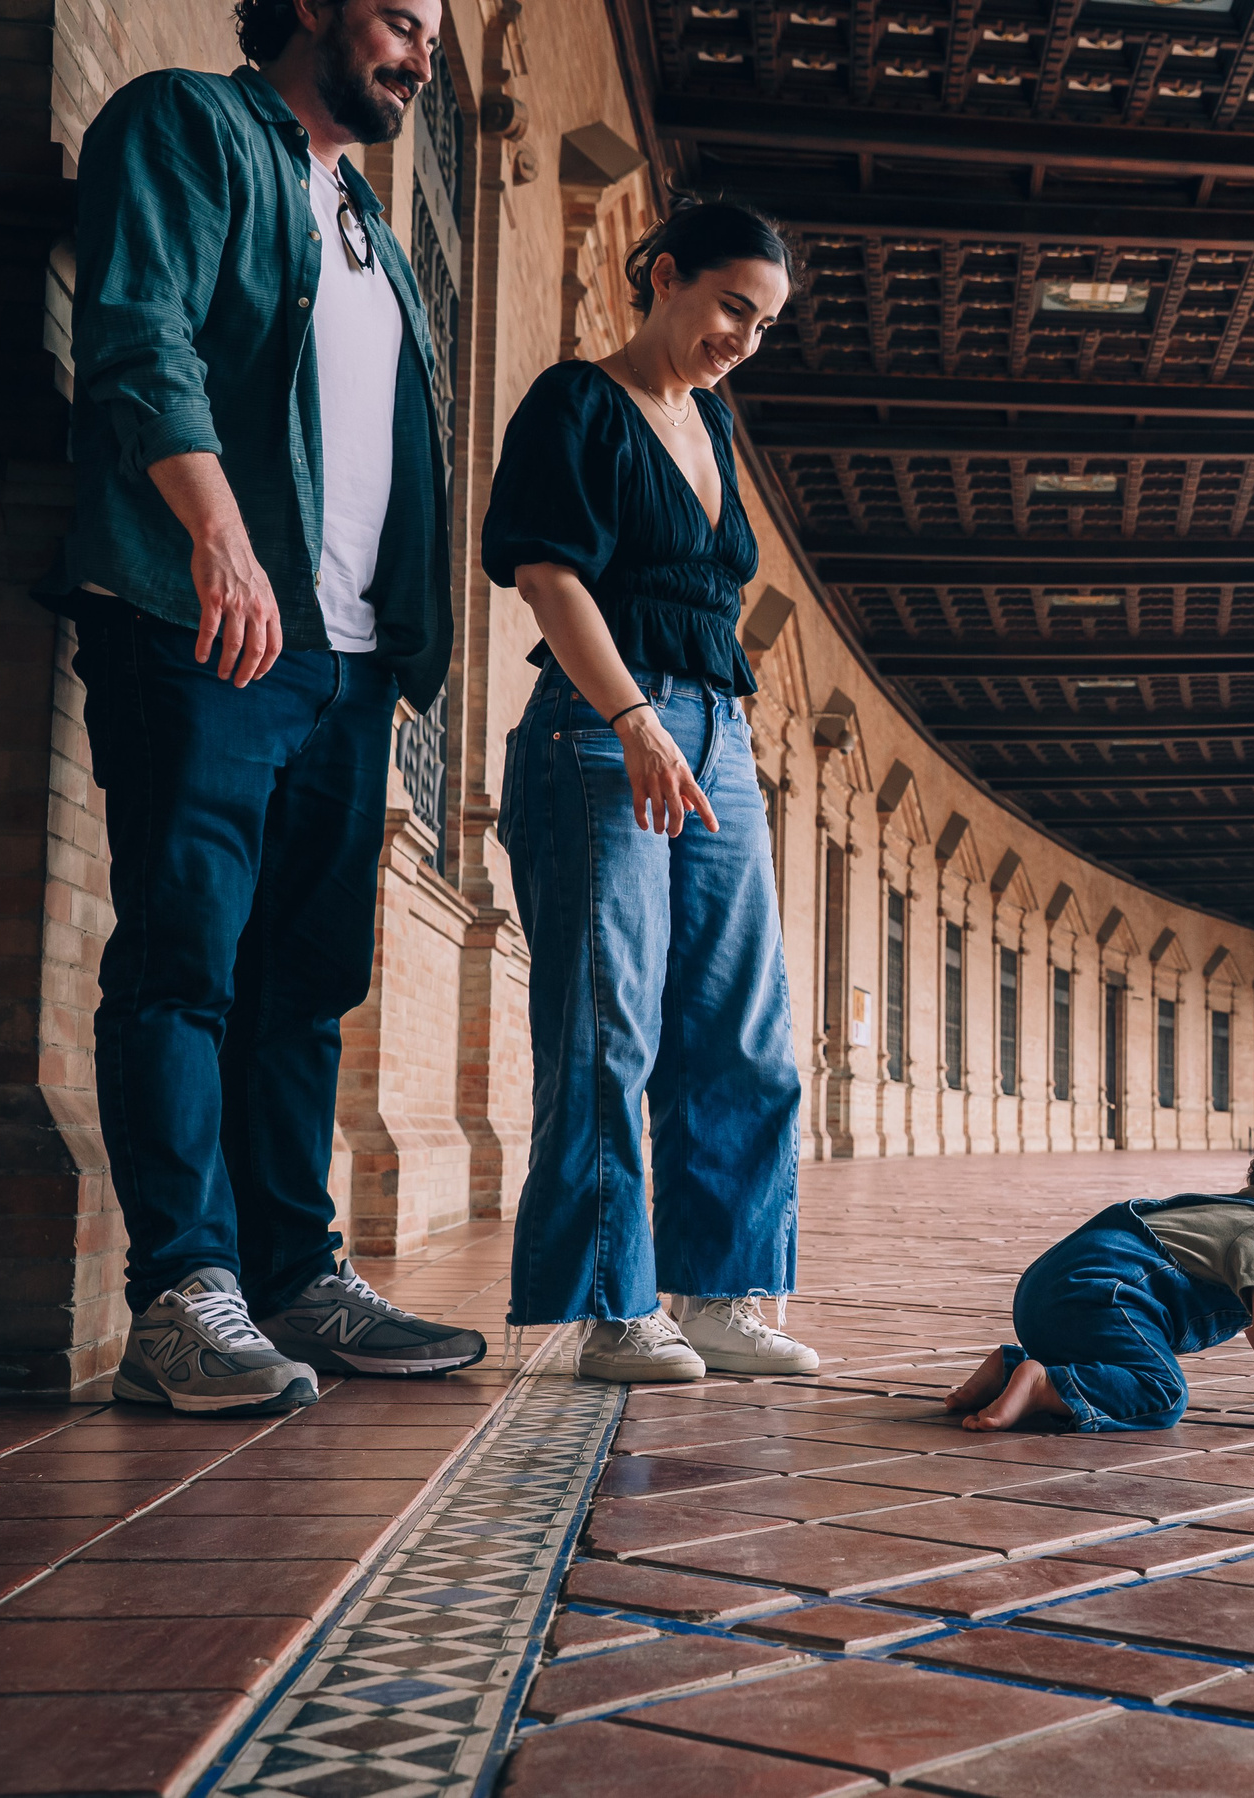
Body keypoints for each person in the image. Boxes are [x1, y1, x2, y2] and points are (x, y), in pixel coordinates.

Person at [52, 0, 488, 1414]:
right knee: (185, 958)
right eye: (397, 20)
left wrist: (401, 654)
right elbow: (137, 334)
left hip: (347, 663)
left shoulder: (367, 219)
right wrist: (219, 537)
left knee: (303, 987)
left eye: (430, 32)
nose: (419, 55)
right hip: (204, 620)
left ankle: (296, 1276)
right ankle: (179, 1295)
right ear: (305, 4)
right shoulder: (187, 123)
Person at [483, 198, 816, 1385]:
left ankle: (720, 1293)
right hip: (601, 725)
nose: (744, 337)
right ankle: (614, 1307)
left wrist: (706, 725)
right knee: (606, 1022)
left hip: (719, 734)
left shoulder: (714, 426)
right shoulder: (577, 403)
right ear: (664, 276)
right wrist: (631, 716)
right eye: (733, 306)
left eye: (765, 322)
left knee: (745, 1026)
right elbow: (546, 571)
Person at [948, 1095, 1254, 1433]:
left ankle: (1010, 1367)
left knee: (1115, 1361)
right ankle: (1041, 1384)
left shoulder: (1234, 1214)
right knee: (1161, 1393)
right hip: (1104, 1295)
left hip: (1049, 1290)